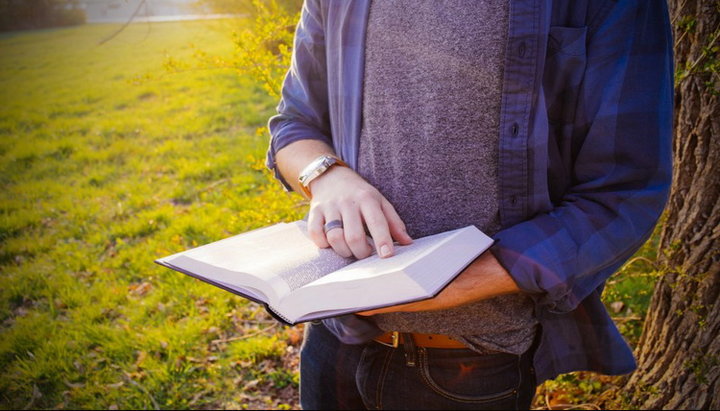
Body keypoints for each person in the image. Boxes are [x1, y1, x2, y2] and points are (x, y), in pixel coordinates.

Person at [265, 1, 673, 409]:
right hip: (335, 336)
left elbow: (623, 194)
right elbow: (294, 123)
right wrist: (327, 177)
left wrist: (438, 287)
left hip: (472, 364)